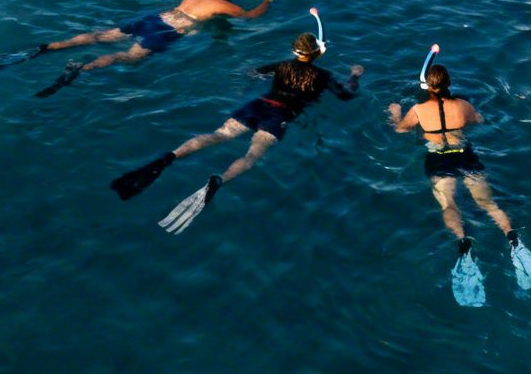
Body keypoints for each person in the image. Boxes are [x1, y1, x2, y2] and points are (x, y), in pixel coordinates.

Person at [110, 31, 364, 234]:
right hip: (281, 115)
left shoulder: (282, 65)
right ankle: (219, 180)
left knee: (218, 135)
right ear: (316, 53)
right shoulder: (324, 75)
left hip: (258, 105)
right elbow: (346, 95)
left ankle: (170, 157)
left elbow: (252, 71)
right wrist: (354, 75)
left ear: (295, 51)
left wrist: (246, 86)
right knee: (252, 155)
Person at [0, 0, 276, 96]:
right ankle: (82, 68)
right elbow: (250, 16)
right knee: (128, 58)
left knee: (101, 36)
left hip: (155, 18)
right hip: (169, 32)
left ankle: (50, 47)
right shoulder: (224, 7)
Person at [389, 57, 531, 294]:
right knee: (488, 204)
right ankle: (512, 239)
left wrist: (395, 112)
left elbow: (399, 130)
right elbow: (479, 121)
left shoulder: (419, 110)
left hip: (438, 158)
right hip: (465, 154)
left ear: (428, 87)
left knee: (448, 203)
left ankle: (464, 242)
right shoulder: (463, 106)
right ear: (449, 84)